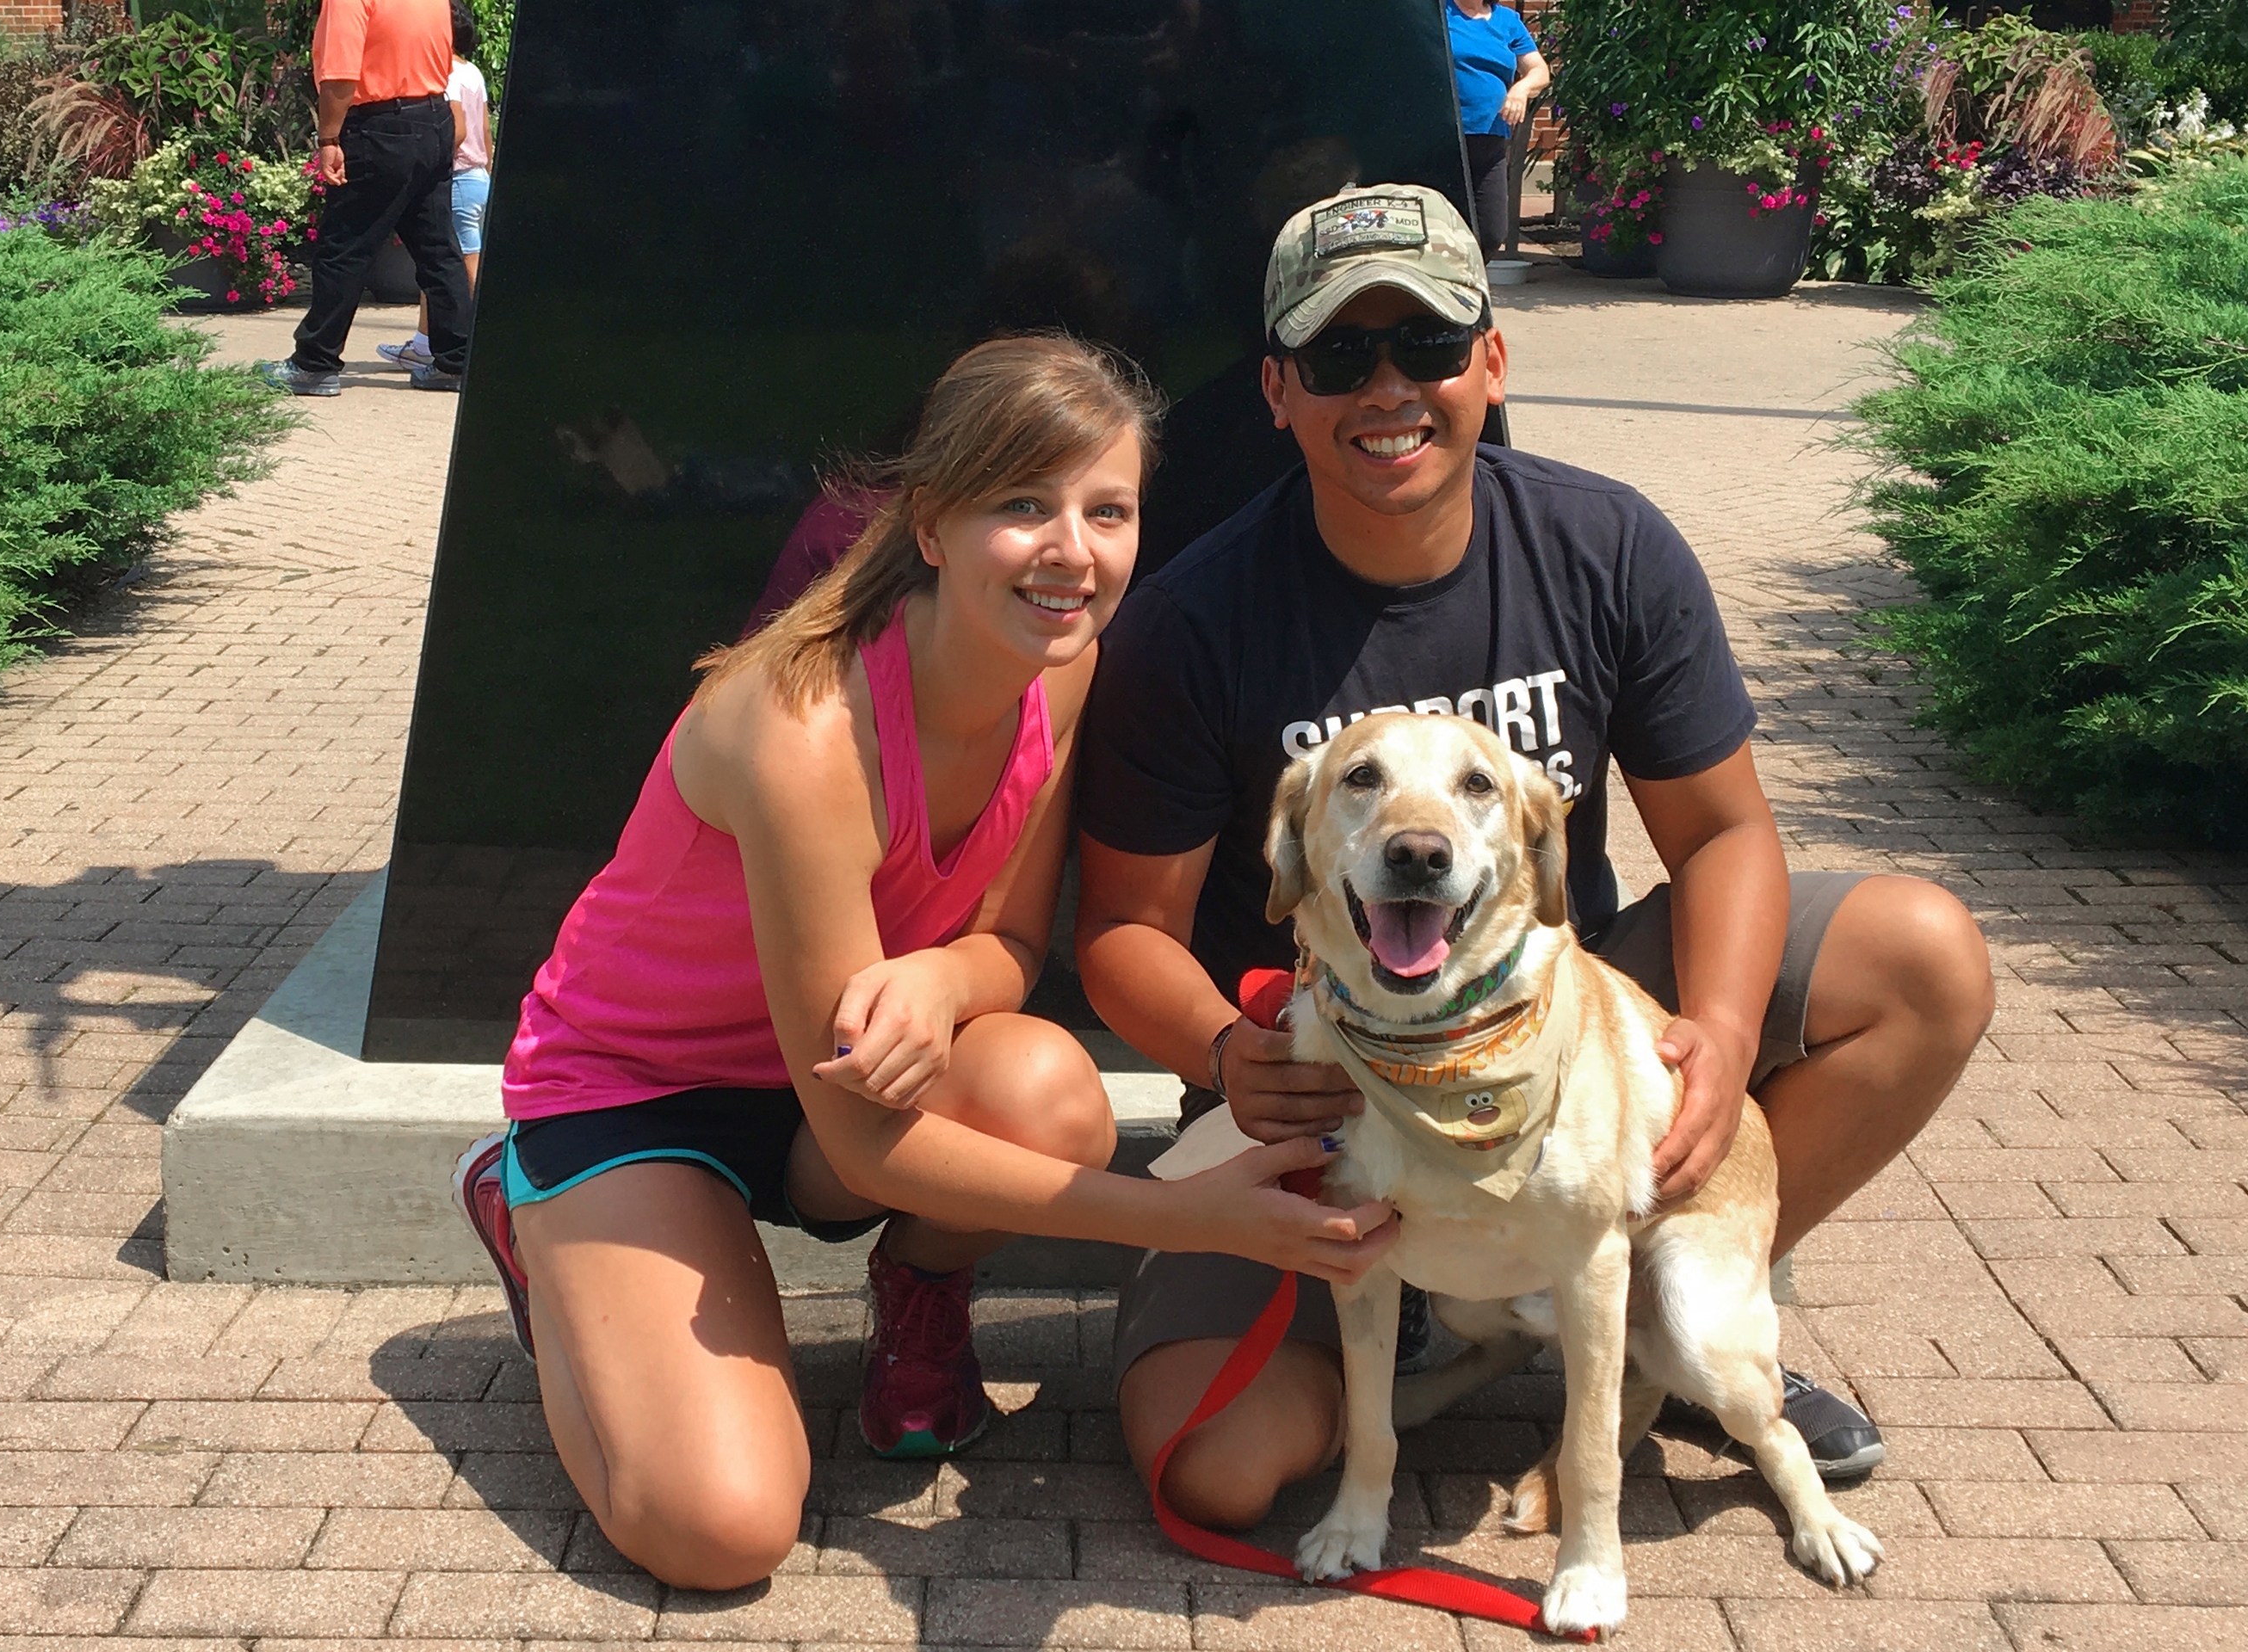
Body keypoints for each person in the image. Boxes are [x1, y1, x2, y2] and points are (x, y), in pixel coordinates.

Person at [1074, 184, 1995, 1530]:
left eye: (1430, 347)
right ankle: (1442, 1319)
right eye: (1339, 358)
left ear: (1492, 362)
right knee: (1222, 1468)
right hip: (1322, 1074)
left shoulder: (1605, 545)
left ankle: (1682, 1328)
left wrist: (1723, 1040)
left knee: (1923, 956)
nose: (1389, 389)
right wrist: (1231, 1057)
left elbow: (1728, 830)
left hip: (1564, 1010)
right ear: (1279, 391)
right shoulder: (1192, 623)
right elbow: (1121, 934)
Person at [450, 335, 1401, 1592]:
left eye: (1106, 510)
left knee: (1044, 1091)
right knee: (720, 1533)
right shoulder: (799, 732)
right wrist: (1183, 1216)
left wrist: (944, 981)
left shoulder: (1061, 675)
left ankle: (919, 1296)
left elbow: (1009, 944)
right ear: (932, 525)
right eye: (1023, 505)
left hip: (832, 1083)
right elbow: (866, 1153)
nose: (1073, 550)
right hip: (639, 1095)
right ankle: (535, 1216)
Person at [259, 0, 472, 396]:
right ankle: (457, 361)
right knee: (438, 248)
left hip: (379, 126)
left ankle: (315, 363)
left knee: (344, 248)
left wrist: (327, 138)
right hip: (433, 118)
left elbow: (340, 76)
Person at [381, 0, 491, 372]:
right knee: (443, 263)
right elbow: (485, 130)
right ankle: (427, 342)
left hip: (457, 175)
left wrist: (435, 158)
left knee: (452, 265)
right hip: (478, 176)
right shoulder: (473, 71)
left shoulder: (444, 74)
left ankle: (462, 342)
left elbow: (456, 129)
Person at [1444, 0, 1548, 258]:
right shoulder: (1439, 13)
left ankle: (1468, 286)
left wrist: (1521, 89)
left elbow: (1540, 71)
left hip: (1491, 142)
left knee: (1491, 232)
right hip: (1444, 141)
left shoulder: (1507, 21)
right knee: (1445, 224)